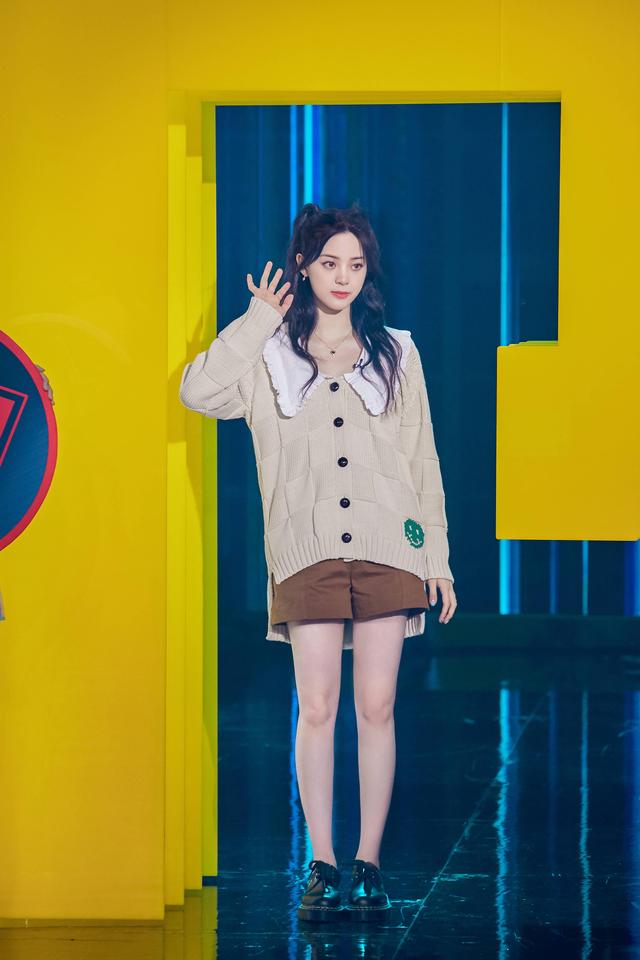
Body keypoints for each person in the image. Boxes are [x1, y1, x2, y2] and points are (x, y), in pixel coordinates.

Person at [179, 202, 457, 923]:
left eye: (356, 264)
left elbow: (422, 458)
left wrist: (438, 559)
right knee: (319, 705)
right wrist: (257, 322)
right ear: (302, 266)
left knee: (377, 705)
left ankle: (369, 863)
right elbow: (197, 391)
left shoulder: (397, 352)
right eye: (330, 262)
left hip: (390, 548)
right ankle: (323, 861)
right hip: (305, 553)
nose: (343, 277)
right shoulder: (268, 355)